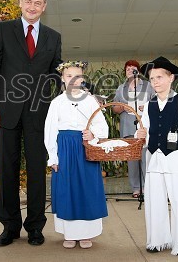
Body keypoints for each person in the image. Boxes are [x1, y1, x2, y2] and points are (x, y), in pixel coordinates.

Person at [0, 0, 62, 247]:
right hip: (6, 111)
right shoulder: (4, 31)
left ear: (44, 6)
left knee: (38, 171)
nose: (32, 7)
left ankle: (36, 227)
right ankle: (10, 226)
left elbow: (55, 73)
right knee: (8, 168)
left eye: (37, 3)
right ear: (21, 3)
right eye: (28, 2)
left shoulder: (53, 37)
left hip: (40, 113)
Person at [44, 61, 109, 249]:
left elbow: (101, 126)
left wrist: (93, 134)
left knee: (86, 188)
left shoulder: (89, 101)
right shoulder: (56, 103)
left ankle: (87, 234)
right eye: (69, 76)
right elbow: (50, 131)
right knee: (67, 189)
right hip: (64, 149)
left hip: (84, 148)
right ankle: (70, 234)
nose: (73, 80)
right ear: (63, 79)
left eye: (77, 76)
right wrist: (53, 156)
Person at [135, 56, 178, 255]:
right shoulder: (150, 104)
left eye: (159, 77)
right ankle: (157, 240)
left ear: (171, 78)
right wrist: (141, 135)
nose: (155, 82)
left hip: (175, 157)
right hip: (154, 157)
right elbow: (143, 130)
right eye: (152, 79)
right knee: (155, 200)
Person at [112, 60, 154, 198]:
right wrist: (122, 107)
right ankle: (136, 188)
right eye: (127, 68)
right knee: (132, 161)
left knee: (145, 158)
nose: (130, 70)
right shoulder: (121, 88)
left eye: (133, 68)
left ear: (138, 71)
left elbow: (156, 103)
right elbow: (114, 108)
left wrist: (147, 107)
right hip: (128, 127)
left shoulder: (147, 86)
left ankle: (147, 187)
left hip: (144, 128)